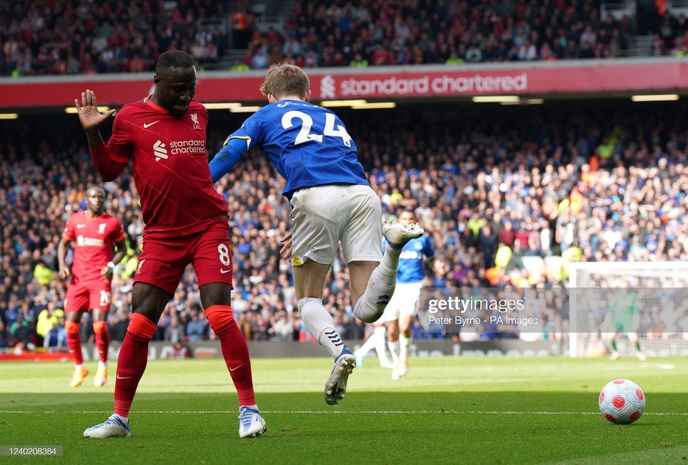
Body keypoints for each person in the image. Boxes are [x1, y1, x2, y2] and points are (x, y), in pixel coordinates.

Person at [74, 50, 266, 439]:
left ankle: (249, 410)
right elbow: (109, 171)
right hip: (162, 234)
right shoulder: (129, 117)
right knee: (140, 323)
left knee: (219, 315)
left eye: (191, 89)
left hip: (209, 227)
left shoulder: (200, 112)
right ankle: (120, 419)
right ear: (159, 84)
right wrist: (94, 132)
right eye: (178, 90)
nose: (185, 98)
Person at [209, 63, 424, 405]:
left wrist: (199, 185)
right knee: (367, 310)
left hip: (314, 196)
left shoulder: (265, 115)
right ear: (308, 93)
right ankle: (394, 247)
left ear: (268, 96)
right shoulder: (330, 117)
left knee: (309, 299)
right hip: (362, 195)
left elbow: (230, 152)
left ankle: (340, 354)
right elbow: (344, 165)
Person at [58, 185, 127, 388]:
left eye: (101, 197)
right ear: (85, 200)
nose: (97, 200)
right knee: (70, 326)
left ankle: (103, 364)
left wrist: (111, 265)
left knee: (98, 325)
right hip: (78, 280)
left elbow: (122, 248)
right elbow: (63, 243)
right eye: (93, 197)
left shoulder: (112, 223)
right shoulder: (75, 220)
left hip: (100, 280)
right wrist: (62, 265)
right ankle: (80, 367)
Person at [383, 210, 435, 380]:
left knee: (404, 326)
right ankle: (396, 361)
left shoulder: (422, 239)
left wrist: (437, 267)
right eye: (404, 219)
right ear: (399, 221)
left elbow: (431, 258)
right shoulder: (390, 239)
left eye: (410, 219)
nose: (407, 221)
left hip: (413, 285)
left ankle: (404, 358)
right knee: (391, 330)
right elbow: (381, 259)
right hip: (393, 286)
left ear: (414, 221)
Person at [603, 281, 646, 361]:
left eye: (626, 285)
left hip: (628, 318)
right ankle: (615, 352)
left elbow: (635, 309)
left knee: (634, 338)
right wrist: (607, 320)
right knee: (610, 336)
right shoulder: (617, 296)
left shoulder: (632, 296)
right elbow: (611, 309)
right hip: (618, 318)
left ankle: (639, 352)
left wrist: (636, 320)